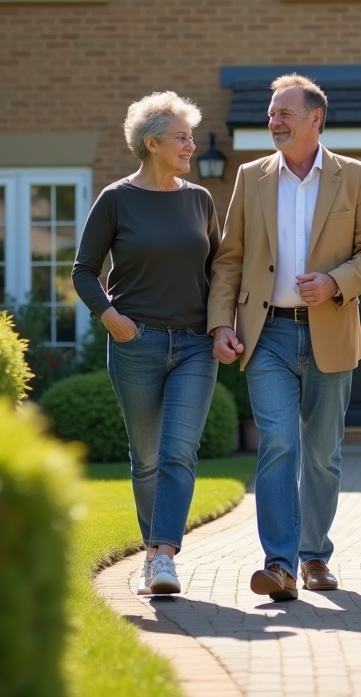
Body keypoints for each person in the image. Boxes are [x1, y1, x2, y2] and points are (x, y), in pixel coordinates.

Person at [208, 74, 361, 601]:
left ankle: (314, 556)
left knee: (323, 454)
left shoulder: (355, 177)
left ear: (316, 119)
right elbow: (230, 260)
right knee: (279, 443)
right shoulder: (251, 176)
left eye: (285, 113)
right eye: (270, 114)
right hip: (266, 336)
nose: (274, 122)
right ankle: (280, 563)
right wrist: (222, 322)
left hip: (330, 333)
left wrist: (336, 282)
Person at [72, 91, 220, 596]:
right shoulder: (116, 199)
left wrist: (224, 326)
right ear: (152, 142)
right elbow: (84, 271)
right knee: (148, 455)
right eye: (182, 137)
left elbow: (220, 271)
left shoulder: (200, 199)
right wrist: (111, 318)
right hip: (136, 343)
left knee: (179, 451)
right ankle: (154, 554)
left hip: (196, 345)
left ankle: (161, 558)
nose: (191, 145)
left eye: (191, 137)